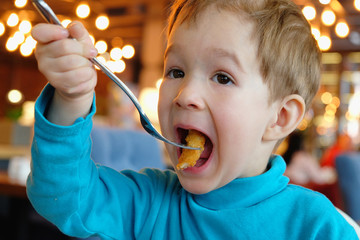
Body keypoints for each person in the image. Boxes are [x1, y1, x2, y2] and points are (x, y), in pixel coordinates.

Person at [27, 0, 358, 239]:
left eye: (222, 77)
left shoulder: (315, 227)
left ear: (280, 117)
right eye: (176, 71)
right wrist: (70, 98)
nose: (184, 94)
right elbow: (63, 197)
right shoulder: (148, 202)